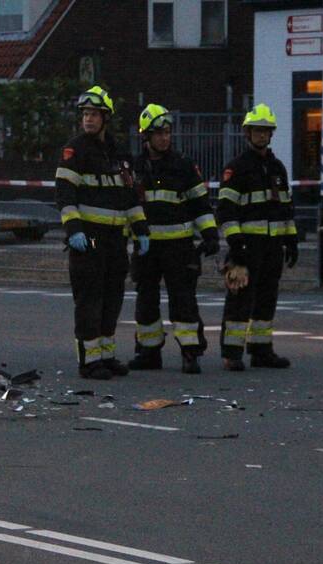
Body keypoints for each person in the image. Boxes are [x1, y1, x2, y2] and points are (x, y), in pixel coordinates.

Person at [55, 86, 150, 380]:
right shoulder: (75, 151)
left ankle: (106, 356)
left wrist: (141, 230)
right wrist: (74, 230)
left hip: (115, 241)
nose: (88, 119)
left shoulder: (118, 153)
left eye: (94, 114)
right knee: (89, 302)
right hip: (89, 239)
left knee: (112, 299)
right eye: (85, 114)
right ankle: (89, 361)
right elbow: (65, 195)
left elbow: (130, 196)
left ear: (105, 117)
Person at [128, 103, 219, 374]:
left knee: (184, 299)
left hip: (179, 246)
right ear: (146, 136)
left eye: (167, 133)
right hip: (146, 247)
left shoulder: (183, 165)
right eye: (159, 133)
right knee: (146, 300)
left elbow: (200, 203)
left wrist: (210, 234)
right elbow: (126, 205)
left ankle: (190, 352)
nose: (164, 138)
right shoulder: (134, 168)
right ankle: (148, 352)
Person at [216, 103, 298, 370]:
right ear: (247, 133)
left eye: (265, 130)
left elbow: (286, 208)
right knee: (239, 299)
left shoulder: (277, 168)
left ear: (271, 134)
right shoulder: (237, 168)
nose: (261, 135)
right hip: (247, 246)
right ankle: (232, 354)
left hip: (273, 246)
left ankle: (261, 351)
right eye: (257, 130)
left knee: (266, 299)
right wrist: (236, 244)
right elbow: (226, 211)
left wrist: (291, 240)